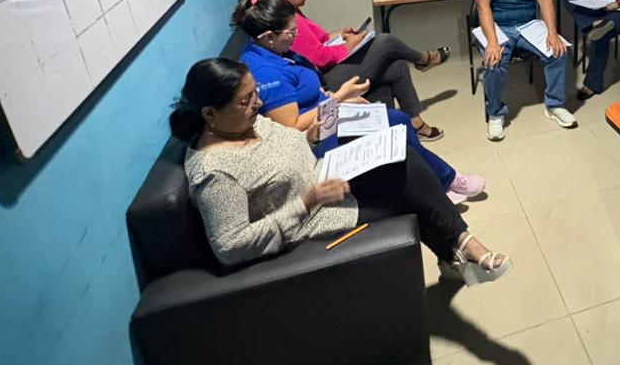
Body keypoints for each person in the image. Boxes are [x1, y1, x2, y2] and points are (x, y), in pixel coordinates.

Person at [172, 58, 510, 285]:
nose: (257, 104)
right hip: (312, 217)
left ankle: (458, 250)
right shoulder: (214, 171)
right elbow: (231, 247)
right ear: (210, 114)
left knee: (403, 157)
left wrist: (308, 137)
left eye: (255, 93)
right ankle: (465, 249)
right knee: (407, 194)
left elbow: (281, 148)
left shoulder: (246, 123)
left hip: (327, 179)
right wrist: (306, 201)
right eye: (246, 100)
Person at [232, 0, 485, 204]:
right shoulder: (265, 72)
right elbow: (293, 126)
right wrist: (338, 100)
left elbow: (308, 93)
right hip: (317, 139)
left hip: (329, 115)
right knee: (395, 123)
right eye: (291, 31)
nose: (296, 36)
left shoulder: (276, 52)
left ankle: (443, 182)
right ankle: (447, 181)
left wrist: (331, 98)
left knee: (398, 119)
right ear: (269, 36)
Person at [247, 0, 449, 141]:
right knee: (386, 42)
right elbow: (320, 58)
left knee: (396, 66)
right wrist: (348, 46)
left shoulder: (291, 15)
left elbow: (319, 41)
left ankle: (415, 123)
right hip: (326, 79)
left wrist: (341, 35)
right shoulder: (284, 25)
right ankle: (422, 59)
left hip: (324, 78)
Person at [472, 0, 576, 140]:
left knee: (558, 51)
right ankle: (495, 113)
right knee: (493, 61)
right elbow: (483, 7)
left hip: (528, 23)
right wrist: (492, 42)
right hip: (498, 25)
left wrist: (552, 33)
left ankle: (554, 105)